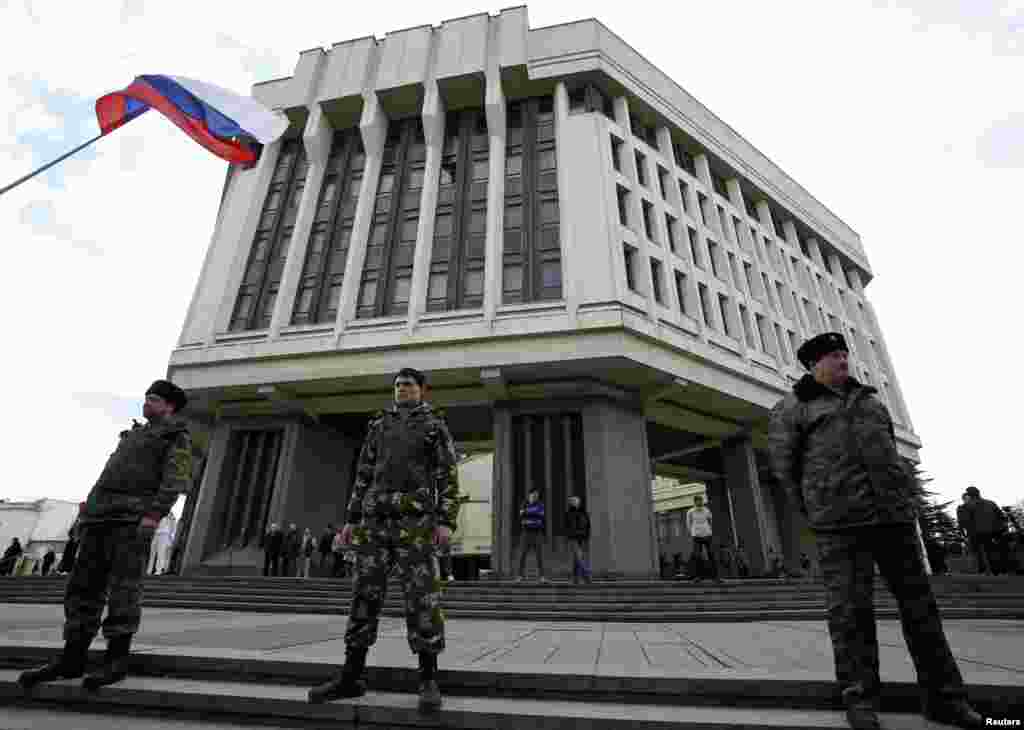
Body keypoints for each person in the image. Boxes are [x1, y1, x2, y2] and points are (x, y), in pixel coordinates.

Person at [769, 332, 982, 729]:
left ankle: (946, 699)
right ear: (813, 365)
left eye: (844, 354)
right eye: (833, 356)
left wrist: (904, 497)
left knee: (922, 612)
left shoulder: (871, 402)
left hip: (893, 520)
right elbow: (785, 469)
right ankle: (860, 699)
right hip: (839, 525)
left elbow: (891, 455)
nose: (843, 361)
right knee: (851, 614)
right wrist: (818, 510)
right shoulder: (793, 408)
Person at [19, 380, 191, 692]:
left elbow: (175, 480)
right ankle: (72, 657)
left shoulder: (175, 436)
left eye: (153, 399)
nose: (146, 403)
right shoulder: (132, 435)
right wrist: (86, 513)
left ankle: (116, 659)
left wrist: (153, 515)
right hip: (100, 519)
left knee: (124, 589)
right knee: (82, 588)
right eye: (146, 398)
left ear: (170, 406)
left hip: (131, 521)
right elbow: (105, 477)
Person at [307, 367, 461, 713]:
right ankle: (351, 676)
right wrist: (351, 518)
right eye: (397, 385)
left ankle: (428, 680)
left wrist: (446, 520)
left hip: (415, 523)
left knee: (422, 598)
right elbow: (363, 473)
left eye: (408, 385)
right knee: (364, 595)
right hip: (374, 522)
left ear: (422, 390)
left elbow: (447, 474)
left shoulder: (434, 425)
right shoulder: (378, 425)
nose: (401, 389)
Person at [958, 486, 1008, 576]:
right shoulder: (991, 503)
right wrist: (1001, 529)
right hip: (993, 532)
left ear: (970, 495)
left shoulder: (967, 506)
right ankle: (997, 570)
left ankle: (983, 570)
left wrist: (964, 532)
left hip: (976, 533)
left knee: (978, 553)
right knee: (992, 551)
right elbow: (1001, 517)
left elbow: (964, 521)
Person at [686, 494, 721, 583]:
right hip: (696, 536)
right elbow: (688, 524)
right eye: (698, 501)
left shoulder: (706, 511)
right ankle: (698, 577)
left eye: (701, 501)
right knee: (697, 556)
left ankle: (715, 577)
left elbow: (710, 521)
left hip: (707, 535)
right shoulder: (690, 512)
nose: (700, 502)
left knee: (711, 555)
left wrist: (709, 530)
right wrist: (693, 532)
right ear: (695, 502)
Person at [516, 489, 547, 582]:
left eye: (537, 495)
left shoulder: (540, 505)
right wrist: (533, 515)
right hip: (526, 533)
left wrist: (528, 514)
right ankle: (520, 576)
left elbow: (541, 516)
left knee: (539, 555)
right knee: (522, 555)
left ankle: (542, 576)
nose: (535, 497)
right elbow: (521, 516)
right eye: (534, 495)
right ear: (529, 495)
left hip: (537, 533)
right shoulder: (524, 504)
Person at [565, 495, 592, 584]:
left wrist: (587, 535)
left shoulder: (584, 512)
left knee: (577, 558)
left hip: (582, 538)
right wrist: (569, 535)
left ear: (579, 502)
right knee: (579, 557)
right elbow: (566, 526)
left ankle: (575, 577)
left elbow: (588, 525)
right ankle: (586, 576)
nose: (574, 502)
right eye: (572, 501)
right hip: (573, 538)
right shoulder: (569, 513)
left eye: (576, 501)